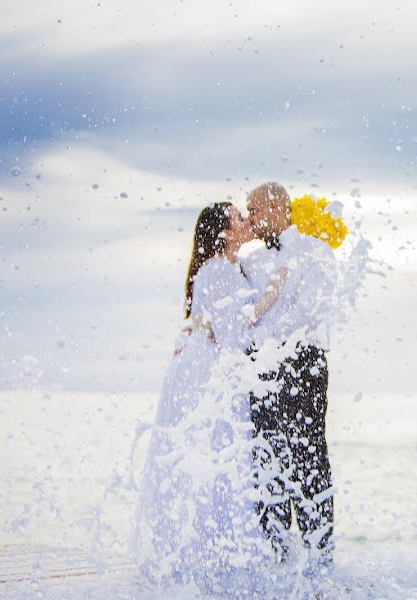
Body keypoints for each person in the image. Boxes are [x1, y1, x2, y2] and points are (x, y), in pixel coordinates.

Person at [131, 202, 287, 589]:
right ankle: (205, 555)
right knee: (212, 450)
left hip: (211, 367)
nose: (246, 222)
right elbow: (235, 328)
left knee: (218, 454)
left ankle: (212, 551)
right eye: (238, 218)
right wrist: (273, 291)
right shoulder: (218, 270)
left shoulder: (230, 267)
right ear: (223, 231)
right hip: (205, 374)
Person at [239, 182, 337, 568]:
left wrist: (257, 339)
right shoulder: (251, 262)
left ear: (277, 208)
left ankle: (319, 558)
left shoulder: (317, 251)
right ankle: (275, 558)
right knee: (267, 457)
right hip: (260, 370)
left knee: (309, 455)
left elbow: (307, 314)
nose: (250, 219)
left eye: (254, 210)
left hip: (303, 363)